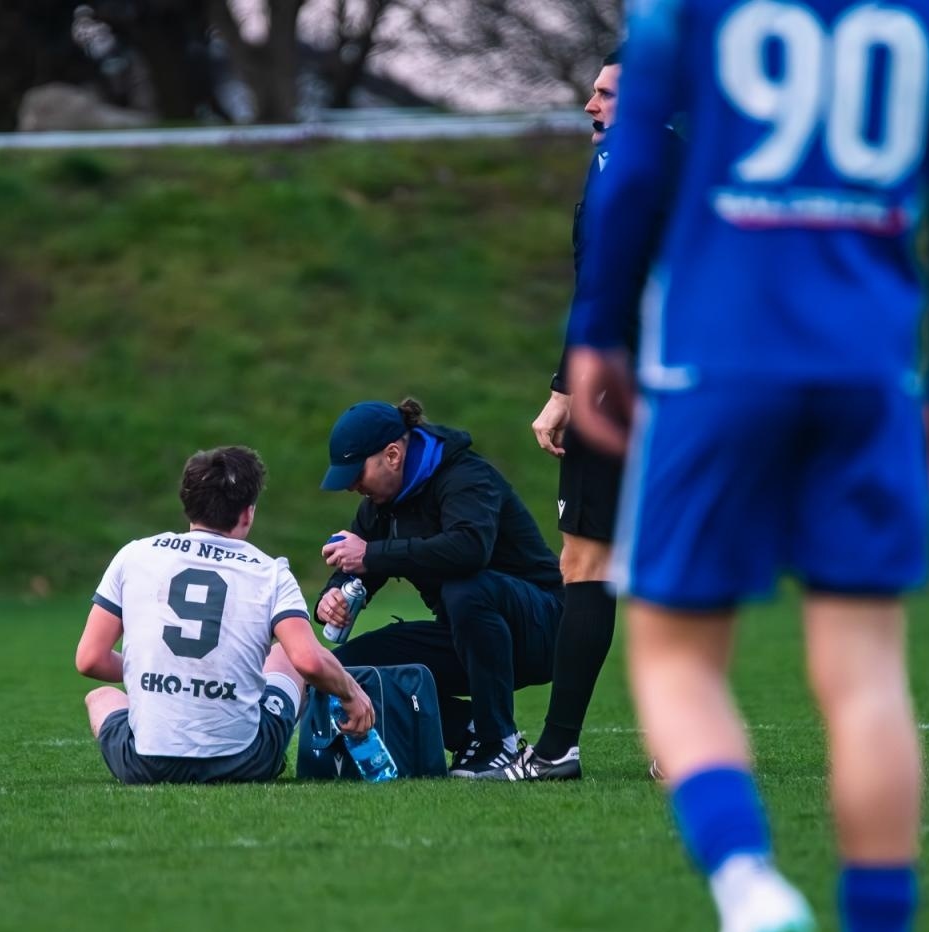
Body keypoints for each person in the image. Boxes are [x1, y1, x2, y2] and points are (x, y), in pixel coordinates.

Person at [565, 0, 929, 932]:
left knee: (671, 656)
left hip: (715, 361)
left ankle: (750, 889)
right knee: (863, 672)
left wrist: (594, 332)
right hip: (867, 369)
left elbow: (632, 171)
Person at [76, 447, 374, 784]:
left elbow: (89, 660)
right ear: (247, 514)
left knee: (101, 698)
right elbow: (307, 660)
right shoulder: (270, 572)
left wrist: (161, 672)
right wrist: (351, 693)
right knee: (283, 654)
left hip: (144, 764)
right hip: (245, 763)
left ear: (188, 504)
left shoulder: (134, 556)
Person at [316, 399, 564, 778]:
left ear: (393, 455)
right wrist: (334, 595)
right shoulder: (380, 502)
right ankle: (468, 731)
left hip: (541, 628)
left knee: (466, 589)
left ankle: (499, 741)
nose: (351, 485)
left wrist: (372, 554)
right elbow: (361, 559)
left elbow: (468, 550)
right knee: (345, 668)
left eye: (355, 473)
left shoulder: (465, 476)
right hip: (467, 633)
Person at [517, 50, 626, 782]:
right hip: (689, 392)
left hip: (615, 390)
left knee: (585, 562)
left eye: (608, 94)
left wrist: (565, 387)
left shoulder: (623, 159)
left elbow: (602, 289)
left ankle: (556, 748)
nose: (591, 107)